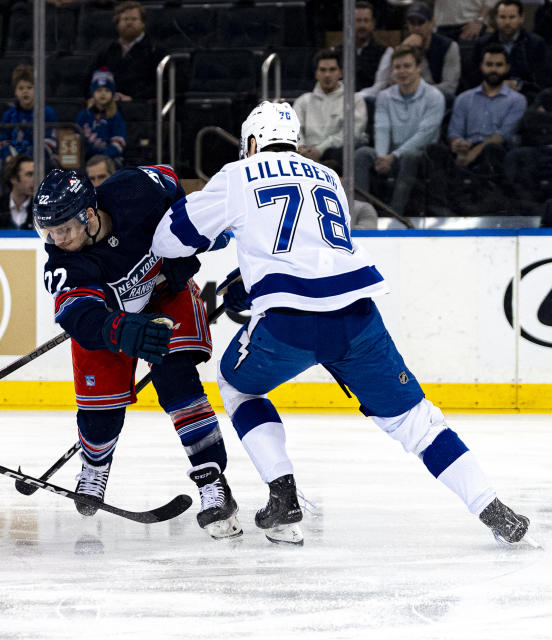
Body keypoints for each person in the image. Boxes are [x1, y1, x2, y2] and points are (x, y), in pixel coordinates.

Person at [149, 100, 531, 547]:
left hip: (289, 324)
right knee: (418, 422)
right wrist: (250, 277)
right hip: (358, 318)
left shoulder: (238, 175)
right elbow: (311, 251)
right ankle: (492, 508)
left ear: (251, 142)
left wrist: (220, 246)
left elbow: (168, 239)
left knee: (237, 386)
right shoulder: (328, 176)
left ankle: (283, 494)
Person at [32, 166, 242, 540]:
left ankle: (212, 480)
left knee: (177, 382)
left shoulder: (135, 188)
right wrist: (119, 329)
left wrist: (201, 232)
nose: (55, 239)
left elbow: (175, 184)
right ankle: (95, 466)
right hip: (109, 318)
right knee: (101, 411)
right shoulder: (63, 260)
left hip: (165, 294)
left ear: (90, 216)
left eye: (63, 228)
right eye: (47, 230)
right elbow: (79, 316)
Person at [354, 45, 445, 216]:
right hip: (389, 153)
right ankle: (362, 213)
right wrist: (381, 157)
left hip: (422, 155)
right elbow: (382, 128)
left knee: (410, 158)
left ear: (418, 68)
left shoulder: (434, 96)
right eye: (397, 67)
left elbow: (424, 135)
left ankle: (394, 215)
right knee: (363, 154)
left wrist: (393, 156)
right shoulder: (384, 96)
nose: (402, 71)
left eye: (407, 66)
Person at [446, 43, 525, 175]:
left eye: (499, 65)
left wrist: (474, 153)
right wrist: (458, 146)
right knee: (436, 152)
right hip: (466, 148)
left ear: (507, 68)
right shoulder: (464, 98)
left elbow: (504, 134)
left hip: (496, 152)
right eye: (489, 65)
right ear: (481, 66)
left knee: (492, 150)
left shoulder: (517, 100)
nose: (493, 69)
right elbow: (454, 132)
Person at [0, 64, 56, 197]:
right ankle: (6, 204)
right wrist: (8, 155)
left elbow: (50, 142)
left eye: (29, 88)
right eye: (21, 88)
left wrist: (28, 158)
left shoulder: (47, 112)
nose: (25, 91)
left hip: (38, 159)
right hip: (13, 159)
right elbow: (2, 140)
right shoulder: (9, 114)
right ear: (15, 91)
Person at [293, 49, 367, 165]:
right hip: (305, 159)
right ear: (316, 73)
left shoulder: (354, 100)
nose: (327, 75)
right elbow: (294, 130)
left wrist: (320, 149)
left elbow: (353, 133)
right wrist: (301, 148)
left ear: (340, 73)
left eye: (332, 70)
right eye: (322, 70)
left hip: (340, 159)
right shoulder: (303, 101)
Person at [473, 0, 550, 102]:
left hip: (526, 95)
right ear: (496, 19)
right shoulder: (483, 43)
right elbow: (473, 76)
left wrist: (518, 85)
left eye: (512, 17)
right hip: (489, 93)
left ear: (521, 18)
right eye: (503, 17)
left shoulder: (536, 43)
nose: (507, 22)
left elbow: (542, 79)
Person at [91, 1, 162, 102]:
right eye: (125, 19)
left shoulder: (155, 50)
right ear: (117, 24)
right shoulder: (106, 51)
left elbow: (162, 86)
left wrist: (133, 99)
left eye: (134, 19)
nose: (129, 22)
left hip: (141, 107)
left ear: (143, 24)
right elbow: (92, 80)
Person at [399, 2, 460, 100]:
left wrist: (417, 91)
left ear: (431, 23)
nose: (416, 28)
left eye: (421, 22)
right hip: (409, 98)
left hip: (438, 98)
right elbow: (393, 81)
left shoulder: (449, 46)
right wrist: (403, 50)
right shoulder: (405, 45)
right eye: (412, 23)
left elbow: (450, 87)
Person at [339, 1, 393, 99]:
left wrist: (355, 98)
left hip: (370, 106)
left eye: (366, 20)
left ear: (373, 24)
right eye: (358, 20)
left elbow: (380, 86)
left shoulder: (386, 52)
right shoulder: (338, 52)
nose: (362, 25)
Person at [76, 69, 126, 165]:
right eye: (99, 90)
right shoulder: (84, 114)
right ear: (93, 93)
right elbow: (76, 139)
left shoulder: (116, 116)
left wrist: (103, 158)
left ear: (112, 94)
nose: (103, 94)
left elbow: (118, 143)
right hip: (86, 160)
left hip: (109, 160)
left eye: (107, 90)